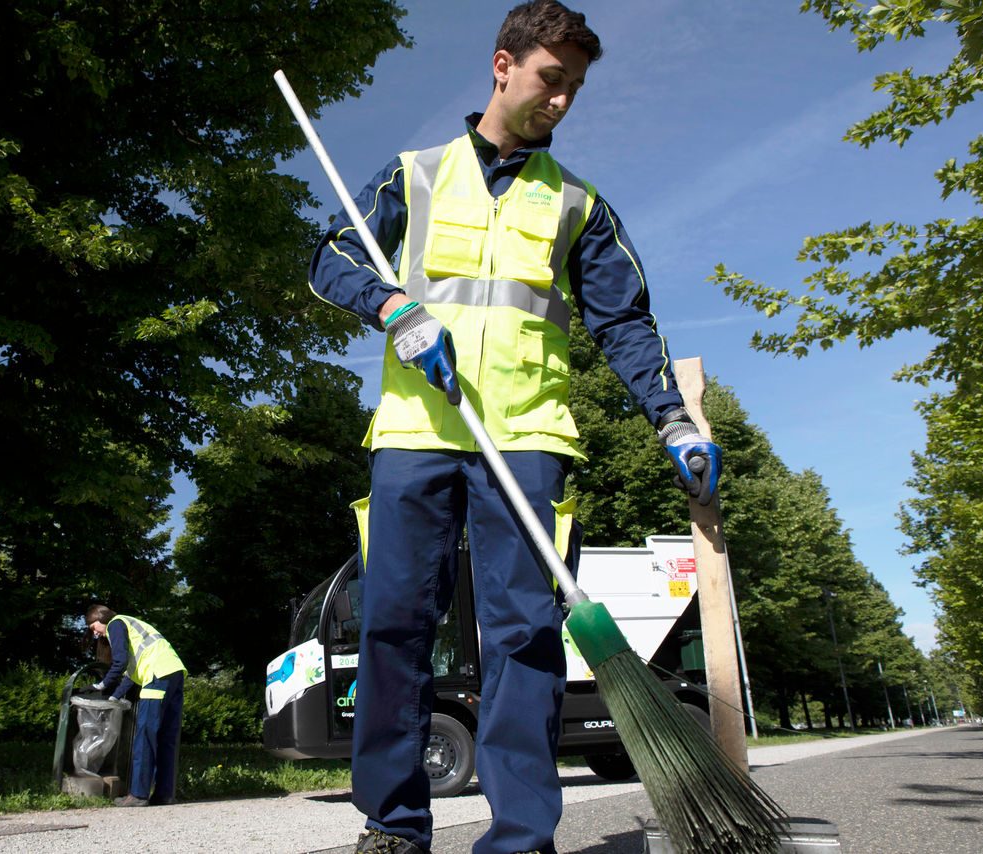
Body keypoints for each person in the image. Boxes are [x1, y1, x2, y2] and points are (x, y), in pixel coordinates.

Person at [306, 3, 722, 852]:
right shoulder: (414, 174)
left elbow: (625, 324)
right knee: (393, 626)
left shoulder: (579, 206)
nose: (562, 99)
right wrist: (392, 306)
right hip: (416, 434)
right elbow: (329, 258)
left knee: (523, 638)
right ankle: (393, 824)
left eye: (574, 87)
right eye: (550, 79)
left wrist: (673, 420)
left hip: (530, 438)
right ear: (504, 65)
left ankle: (521, 837)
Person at [85, 604, 187, 807]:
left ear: (101, 618)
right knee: (167, 737)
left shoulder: (116, 623)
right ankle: (164, 795)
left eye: (93, 626)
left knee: (145, 735)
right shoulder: (134, 628)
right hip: (175, 673)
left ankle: (138, 795)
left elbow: (120, 662)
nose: (95, 633)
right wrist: (114, 697)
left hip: (157, 676)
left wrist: (101, 685)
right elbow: (131, 674)